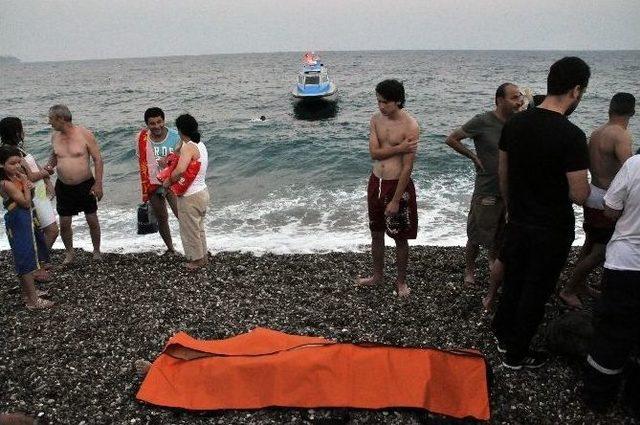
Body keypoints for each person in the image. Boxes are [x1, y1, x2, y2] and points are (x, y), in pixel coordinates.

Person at [492, 57, 591, 369]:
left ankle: (501, 333)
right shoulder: (572, 136)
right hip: (551, 228)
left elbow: (503, 174)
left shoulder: (515, 124)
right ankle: (516, 355)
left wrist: (510, 210)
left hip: (517, 220)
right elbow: (578, 194)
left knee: (515, 280)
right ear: (576, 90)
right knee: (536, 291)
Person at [560, 93, 635, 309]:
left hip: (593, 194)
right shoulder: (621, 135)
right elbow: (630, 172)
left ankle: (578, 283)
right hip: (606, 199)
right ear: (632, 111)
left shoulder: (596, 132)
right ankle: (569, 289)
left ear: (610, 109)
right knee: (602, 250)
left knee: (591, 242)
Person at [445, 83, 523, 288]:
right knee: (477, 233)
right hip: (487, 187)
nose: (519, 101)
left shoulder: (519, 122)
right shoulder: (483, 121)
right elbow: (452, 139)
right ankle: (469, 271)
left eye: (520, 97)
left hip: (510, 189)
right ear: (499, 100)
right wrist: (473, 156)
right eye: (514, 97)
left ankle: (492, 262)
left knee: (502, 231)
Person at [582, 154, 640, 419]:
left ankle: (598, 397)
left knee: (612, 332)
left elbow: (611, 209)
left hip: (626, 263)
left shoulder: (635, 165)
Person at [355, 79, 419, 297]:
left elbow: (407, 167)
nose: (381, 106)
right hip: (377, 180)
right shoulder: (375, 119)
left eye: (385, 102)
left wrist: (395, 200)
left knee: (400, 237)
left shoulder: (410, 125)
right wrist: (399, 147)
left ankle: (401, 282)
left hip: (396, 184)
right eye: (378, 101)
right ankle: (377, 275)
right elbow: (373, 153)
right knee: (376, 232)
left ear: (398, 101)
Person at [45, 105, 103, 264]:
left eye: (51, 119)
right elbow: (55, 155)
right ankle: (70, 253)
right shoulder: (55, 136)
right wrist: (49, 167)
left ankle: (96, 250)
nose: (49, 123)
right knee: (64, 223)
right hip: (63, 186)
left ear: (60, 118)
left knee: (92, 219)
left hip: (85, 184)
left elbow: (98, 159)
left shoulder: (85, 134)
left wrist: (98, 184)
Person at [0, 145, 54, 309]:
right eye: (12, 163)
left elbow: (30, 198)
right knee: (24, 258)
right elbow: (24, 203)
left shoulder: (18, 176)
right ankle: (33, 301)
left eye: (18, 162)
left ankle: (29, 294)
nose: (17, 166)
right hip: (17, 219)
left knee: (31, 253)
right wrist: (25, 185)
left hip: (26, 217)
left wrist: (27, 187)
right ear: (2, 165)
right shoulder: (6, 183)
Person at [0, 117, 59, 252]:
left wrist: (47, 180)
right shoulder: (12, 153)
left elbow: (35, 170)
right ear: (16, 132)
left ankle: (39, 261)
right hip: (32, 194)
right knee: (51, 230)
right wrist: (46, 174)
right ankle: (38, 261)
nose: (24, 131)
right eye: (21, 128)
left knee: (41, 231)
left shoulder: (16, 149)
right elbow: (31, 176)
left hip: (37, 193)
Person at [165, 114, 209, 270]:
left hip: (190, 195)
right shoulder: (200, 145)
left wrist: (168, 181)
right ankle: (202, 256)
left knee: (189, 229)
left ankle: (196, 260)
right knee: (199, 227)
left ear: (179, 130)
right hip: (202, 192)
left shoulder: (188, 148)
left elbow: (180, 170)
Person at [136, 107, 180, 253]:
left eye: (159, 122)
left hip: (172, 181)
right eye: (152, 123)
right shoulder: (142, 139)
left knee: (182, 215)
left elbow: (183, 160)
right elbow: (141, 162)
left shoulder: (175, 137)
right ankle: (171, 249)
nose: (156, 126)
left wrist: (168, 162)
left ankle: (193, 245)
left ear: (164, 120)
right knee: (162, 217)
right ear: (147, 125)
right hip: (153, 183)